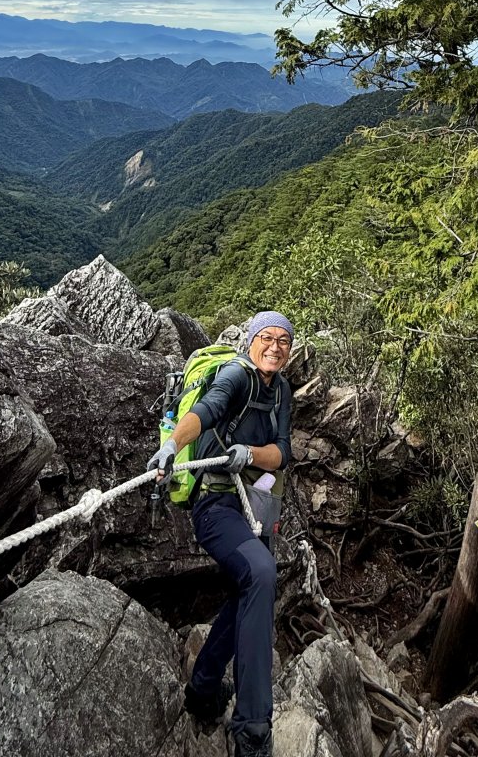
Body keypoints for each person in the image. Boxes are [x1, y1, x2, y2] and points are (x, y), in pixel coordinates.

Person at [147, 311, 294, 757]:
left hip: (257, 505)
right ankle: (252, 730)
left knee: (247, 591)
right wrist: (172, 444)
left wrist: (249, 452)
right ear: (250, 342)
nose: (274, 346)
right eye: (265, 337)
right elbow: (206, 410)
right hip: (216, 505)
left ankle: (204, 689)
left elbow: (282, 453)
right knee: (261, 574)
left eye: (283, 340)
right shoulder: (236, 374)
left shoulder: (283, 390)